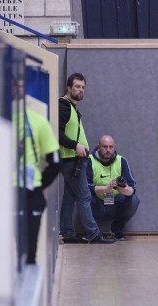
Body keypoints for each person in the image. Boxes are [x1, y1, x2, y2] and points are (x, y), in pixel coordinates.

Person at [58, 73, 115, 244]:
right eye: (77, 86)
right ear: (68, 88)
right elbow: (57, 134)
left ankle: (67, 233)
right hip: (71, 159)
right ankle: (93, 233)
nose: (81, 90)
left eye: (83, 87)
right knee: (84, 197)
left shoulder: (72, 107)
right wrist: (75, 145)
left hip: (73, 160)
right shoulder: (64, 107)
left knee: (69, 198)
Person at [13, 78, 61, 264]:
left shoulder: (37, 122)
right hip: (22, 189)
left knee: (25, 243)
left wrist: (39, 184)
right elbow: (55, 162)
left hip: (26, 188)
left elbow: (55, 162)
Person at [87, 135, 140, 240]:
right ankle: (92, 232)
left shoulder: (122, 161)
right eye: (105, 147)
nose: (108, 150)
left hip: (114, 202)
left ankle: (117, 229)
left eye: (111, 147)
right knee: (83, 198)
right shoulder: (89, 160)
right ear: (98, 147)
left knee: (133, 200)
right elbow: (85, 187)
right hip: (96, 203)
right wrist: (106, 188)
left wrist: (121, 189)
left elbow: (132, 188)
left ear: (114, 147)